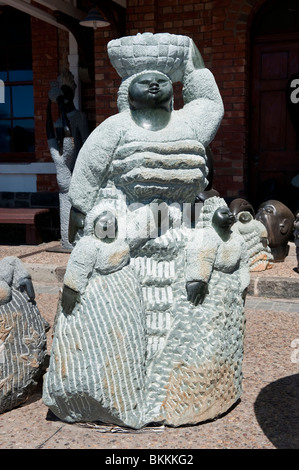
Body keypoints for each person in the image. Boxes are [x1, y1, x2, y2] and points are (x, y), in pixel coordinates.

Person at [68, 33, 224, 242]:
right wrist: (81, 209)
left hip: (185, 216)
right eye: (144, 82)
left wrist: (191, 59)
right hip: (127, 218)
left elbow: (208, 101)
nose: (154, 84)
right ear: (129, 94)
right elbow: (89, 169)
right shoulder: (116, 127)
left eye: (161, 81)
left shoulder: (189, 123)